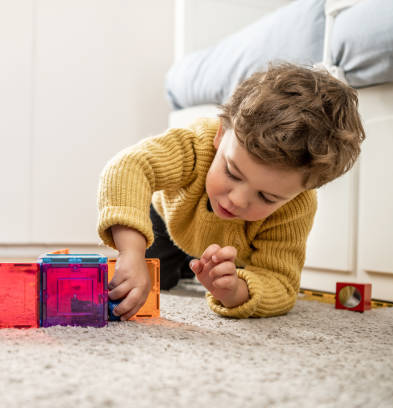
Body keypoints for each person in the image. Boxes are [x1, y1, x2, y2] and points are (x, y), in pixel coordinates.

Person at [97, 63, 365, 320]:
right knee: (147, 281)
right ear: (221, 135)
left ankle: (210, 273)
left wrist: (235, 291)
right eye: (232, 173)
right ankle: (182, 267)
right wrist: (131, 252)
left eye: (266, 197)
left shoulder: (297, 206)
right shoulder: (196, 142)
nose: (237, 200)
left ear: (303, 191)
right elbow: (128, 166)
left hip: (232, 251)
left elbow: (281, 284)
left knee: (226, 278)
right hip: (170, 221)